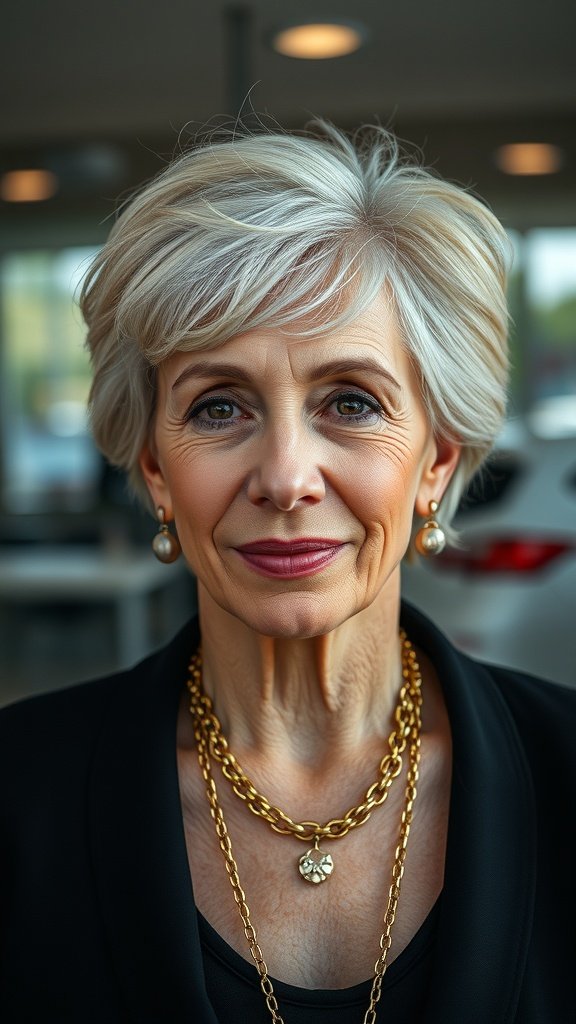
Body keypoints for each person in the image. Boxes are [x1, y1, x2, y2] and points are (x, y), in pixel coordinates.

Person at [0, 121, 574, 1024]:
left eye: (351, 401)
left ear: (435, 459)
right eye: (218, 407)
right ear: (155, 468)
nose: (285, 477)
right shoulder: (17, 794)